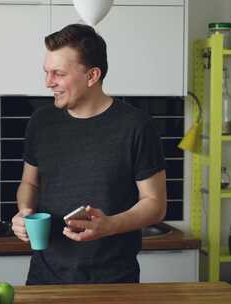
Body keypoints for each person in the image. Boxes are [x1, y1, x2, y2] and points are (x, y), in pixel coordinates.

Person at [11, 24, 167, 284]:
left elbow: (155, 204)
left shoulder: (136, 125)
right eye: (47, 72)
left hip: (114, 280)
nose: (48, 82)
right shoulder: (41, 121)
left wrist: (110, 225)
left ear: (92, 76)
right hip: (45, 277)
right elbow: (30, 182)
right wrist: (24, 212)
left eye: (58, 74)